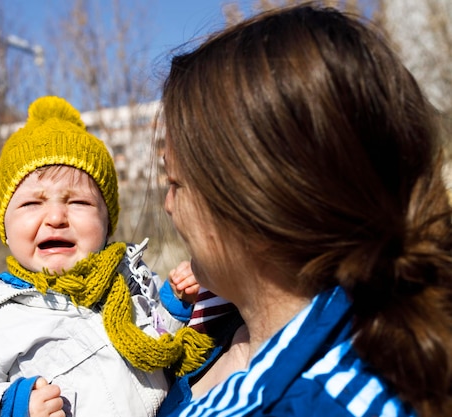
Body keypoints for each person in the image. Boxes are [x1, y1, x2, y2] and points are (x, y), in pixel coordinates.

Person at [157, 4, 452, 417]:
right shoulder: (233, 332)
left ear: (253, 202)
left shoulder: (330, 403)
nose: (167, 205)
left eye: (175, 183)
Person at [0, 96, 212, 417]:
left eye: (78, 202)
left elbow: (162, 342)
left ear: (107, 222)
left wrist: (176, 302)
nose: (56, 217)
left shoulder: (134, 282)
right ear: (4, 225)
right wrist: (12, 406)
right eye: (33, 204)